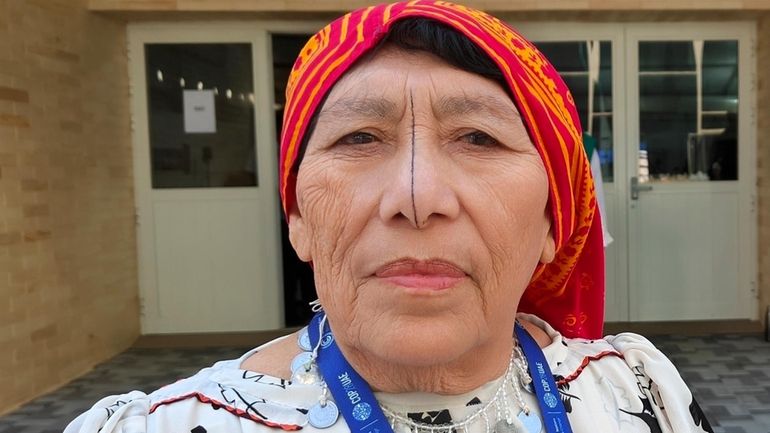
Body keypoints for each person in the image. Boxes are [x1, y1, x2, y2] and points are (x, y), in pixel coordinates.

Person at [65, 2, 714, 432]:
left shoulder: (641, 394)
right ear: (296, 217)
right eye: (358, 138)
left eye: (478, 138)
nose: (417, 195)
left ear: (554, 221)